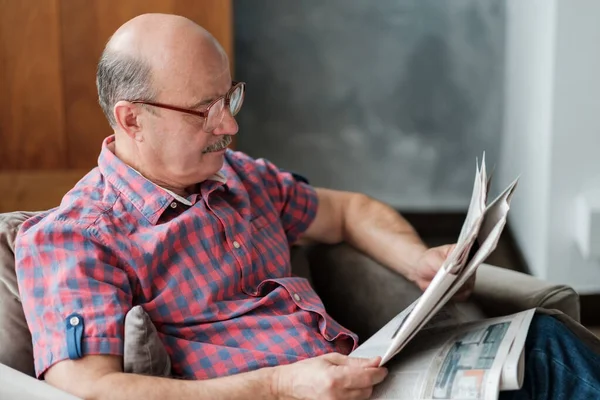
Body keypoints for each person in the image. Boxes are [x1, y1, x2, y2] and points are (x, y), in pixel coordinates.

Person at [14, 13, 600, 400]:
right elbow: (90, 388)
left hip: (358, 378)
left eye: (230, 98)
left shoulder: (239, 177)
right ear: (132, 119)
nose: (231, 123)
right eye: (205, 109)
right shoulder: (73, 238)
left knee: (544, 345)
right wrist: (279, 384)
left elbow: (344, 211)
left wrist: (418, 261)